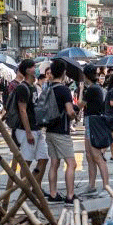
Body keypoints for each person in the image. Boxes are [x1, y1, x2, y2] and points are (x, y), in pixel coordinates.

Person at [5, 59, 48, 197]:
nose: (35, 69)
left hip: (37, 128)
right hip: (25, 130)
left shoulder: (34, 87)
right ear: (27, 70)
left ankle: (36, 187)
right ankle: (26, 191)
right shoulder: (22, 88)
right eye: (33, 67)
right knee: (27, 162)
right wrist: (28, 132)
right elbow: (22, 110)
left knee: (44, 158)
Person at [45, 59, 78, 202]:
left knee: (54, 163)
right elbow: (70, 112)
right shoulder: (64, 90)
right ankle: (70, 195)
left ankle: (53, 194)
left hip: (49, 130)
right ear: (64, 73)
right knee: (71, 164)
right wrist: (75, 116)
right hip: (62, 131)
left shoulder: (47, 88)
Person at [79, 64, 111, 196]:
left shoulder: (92, 89)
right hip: (90, 121)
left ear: (86, 76)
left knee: (97, 156)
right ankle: (91, 186)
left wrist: (81, 90)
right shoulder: (95, 88)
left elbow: (81, 104)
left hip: (94, 122)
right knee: (89, 155)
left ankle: (106, 188)